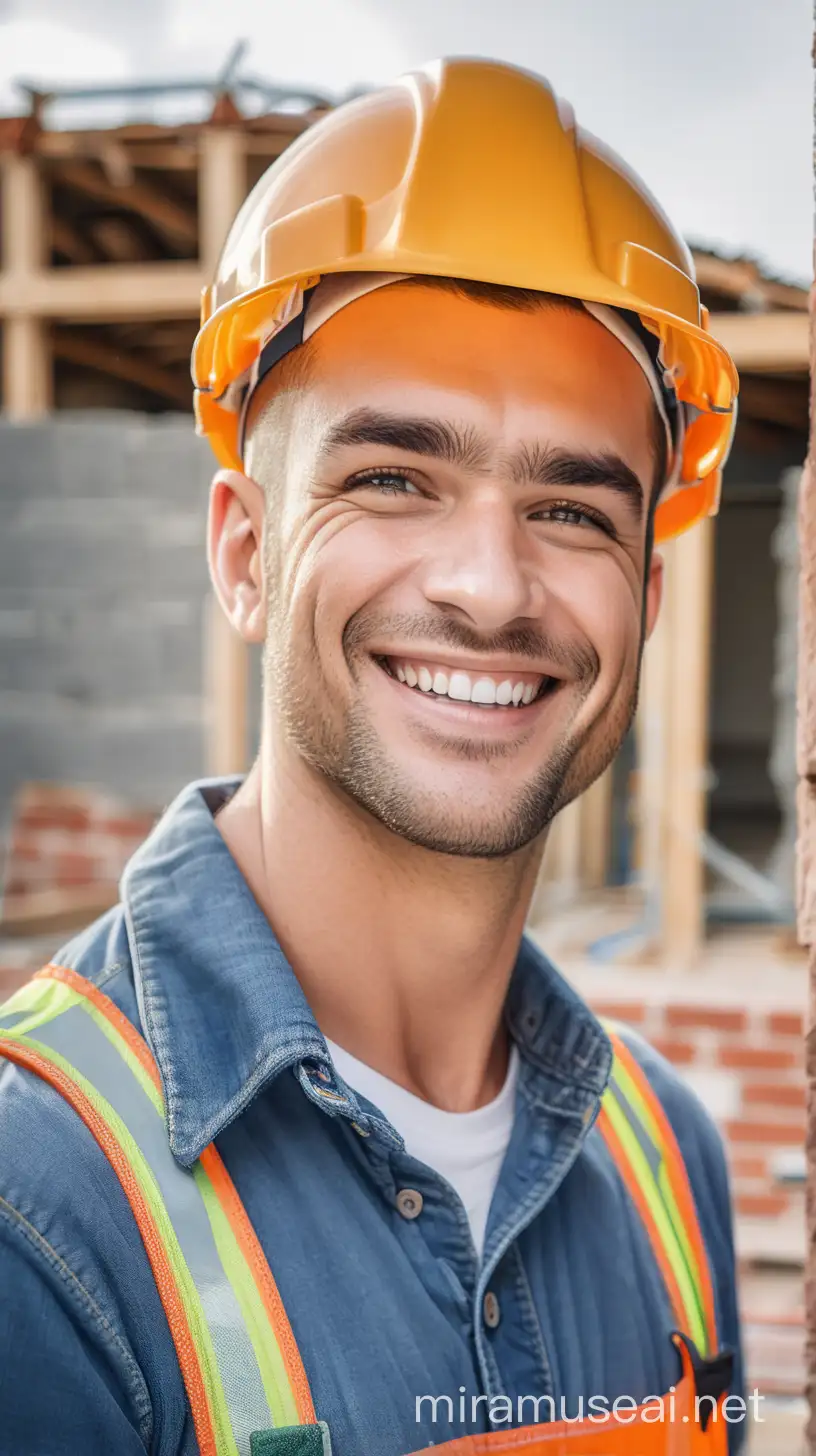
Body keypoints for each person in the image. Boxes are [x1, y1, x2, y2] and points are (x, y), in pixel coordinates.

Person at [0, 57, 744, 1456]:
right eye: (394, 479)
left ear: (646, 602)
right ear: (244, 553)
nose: (492, 586)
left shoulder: (667, 1159)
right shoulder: (40, 1214)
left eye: (576, 511)